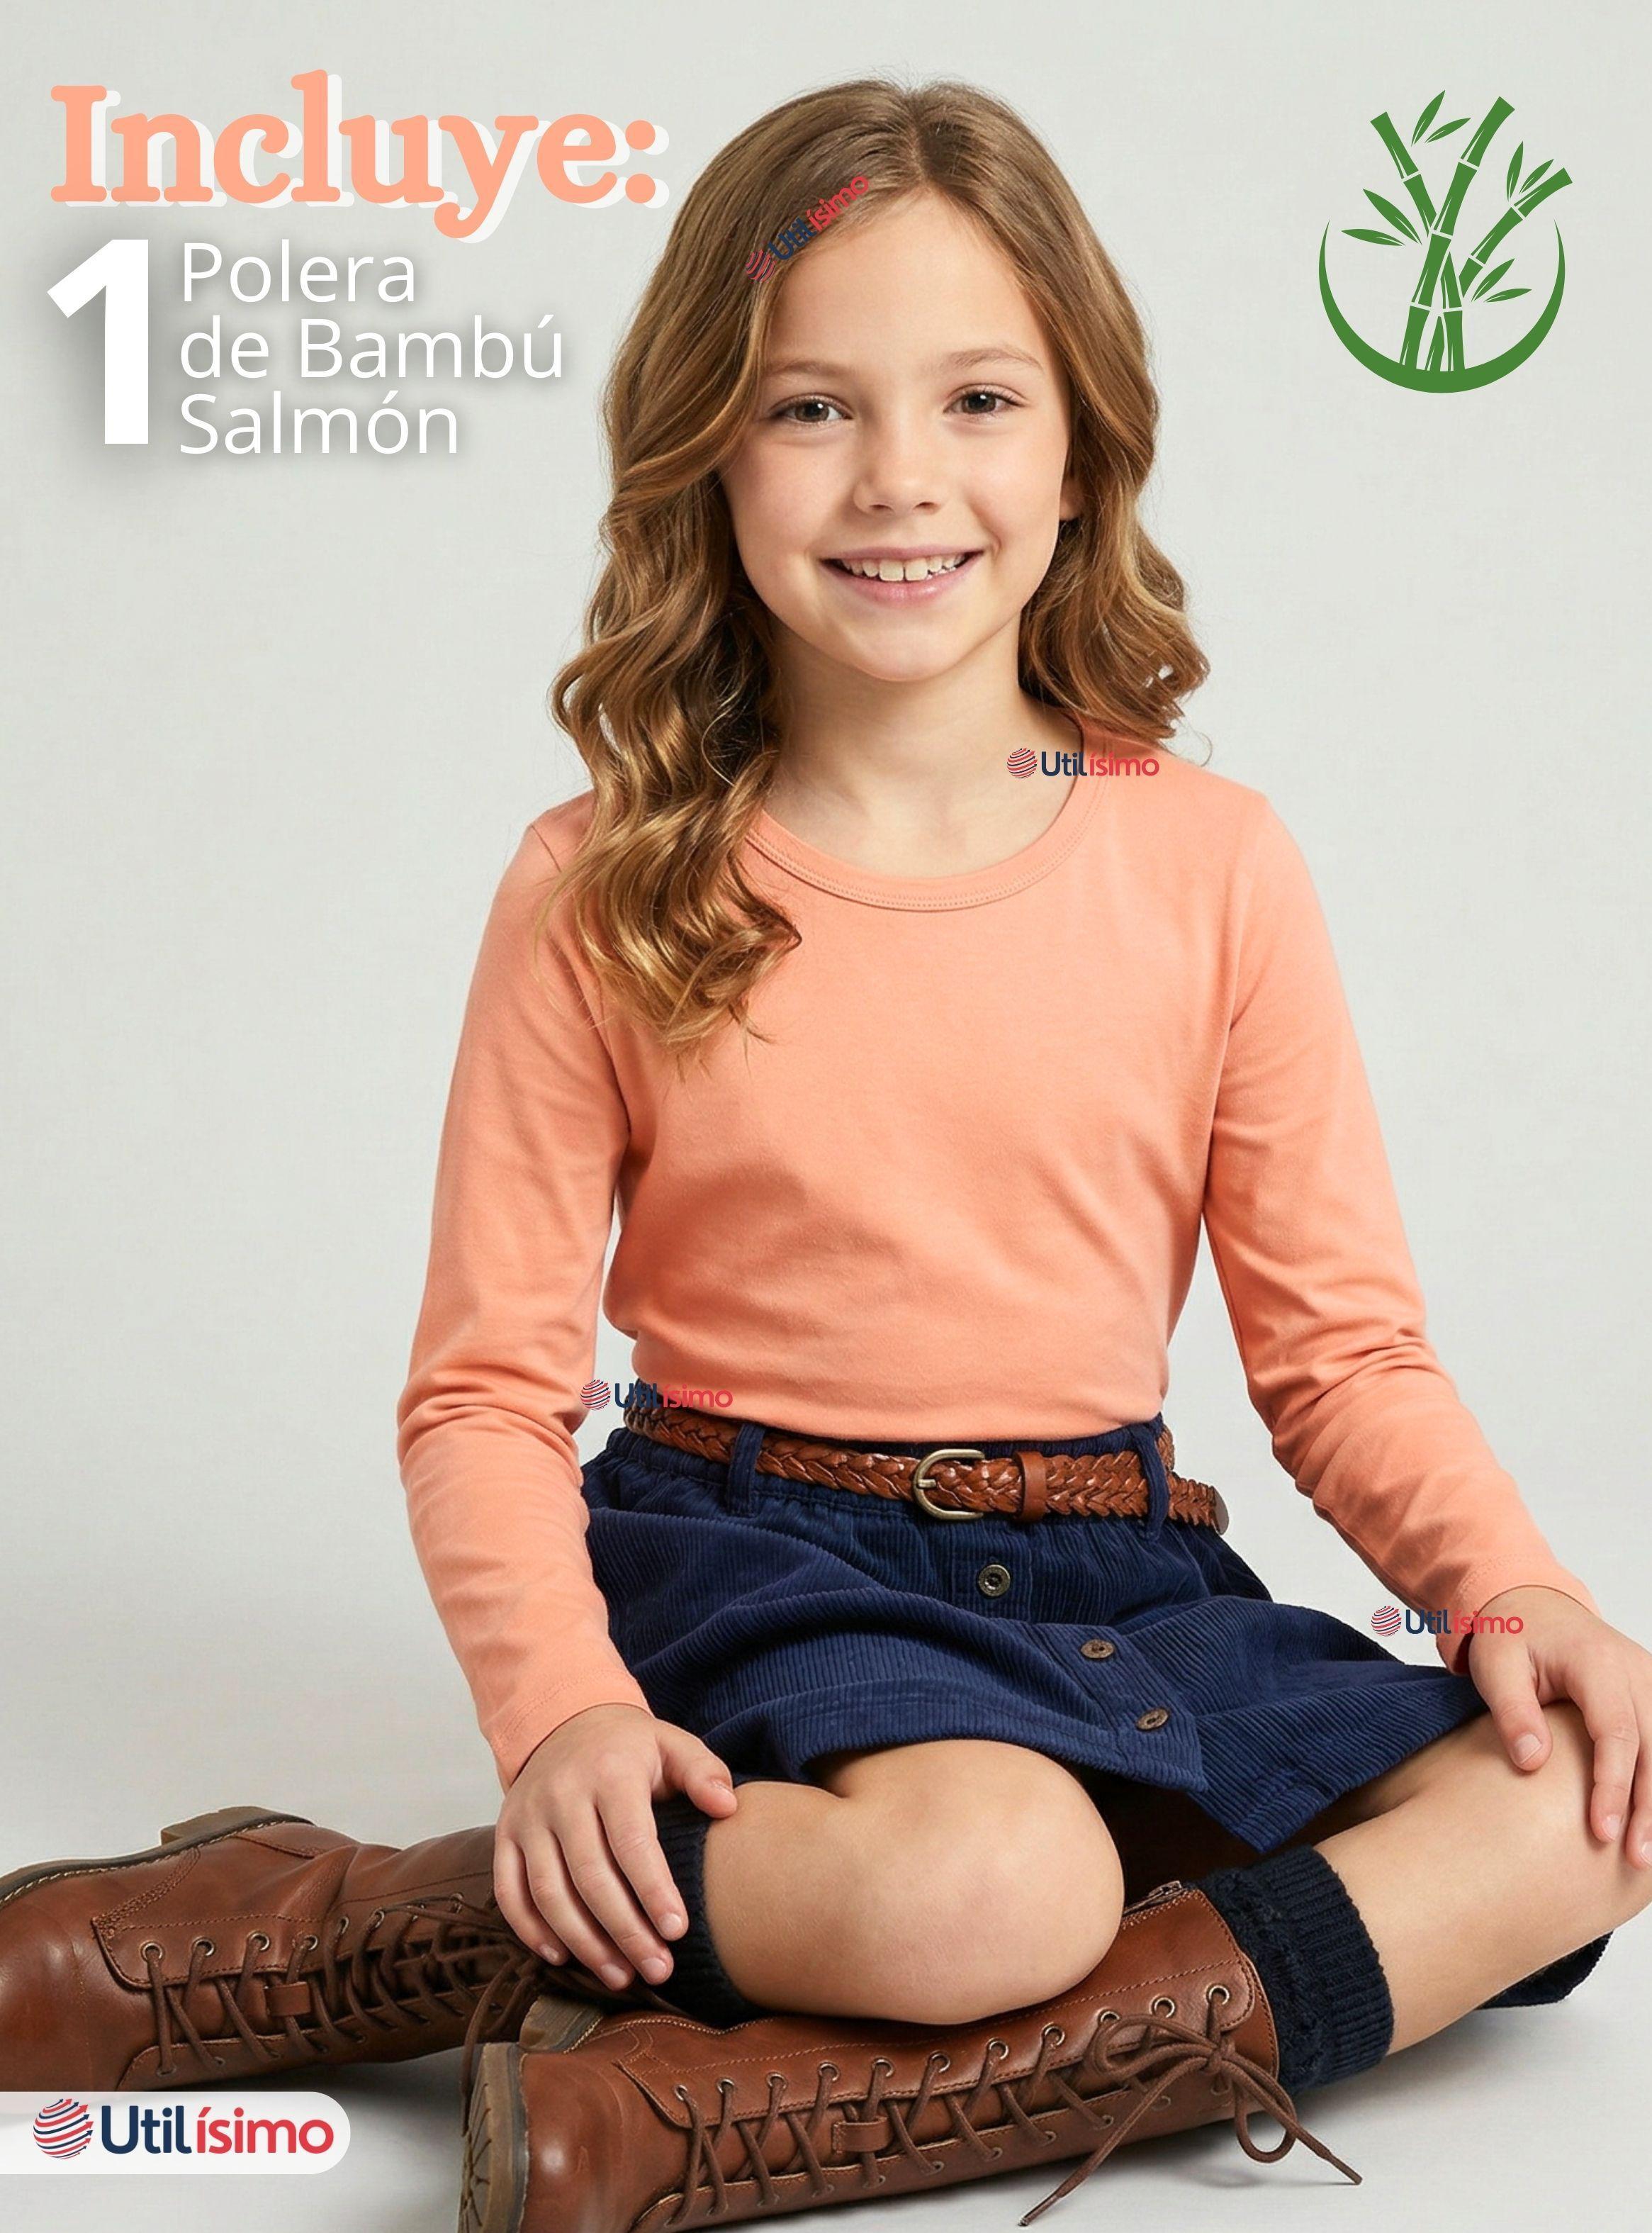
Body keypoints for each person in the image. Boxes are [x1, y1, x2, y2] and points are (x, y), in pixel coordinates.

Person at [1, 74, 1645, 2233]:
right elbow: (485, 1393)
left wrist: (1513, 1588)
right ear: (707, 448)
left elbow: (1339, 1355)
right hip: (765, 1551)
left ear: (1082, 448)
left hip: (1113, 1571)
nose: (899, 478)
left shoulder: (1215, 865)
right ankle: (358, 1926)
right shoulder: (602, 881)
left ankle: (704, 2113)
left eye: (977, 398)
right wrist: (563, 1720)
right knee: (996, 1888)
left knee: (1586, 1809)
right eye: (809, 409)